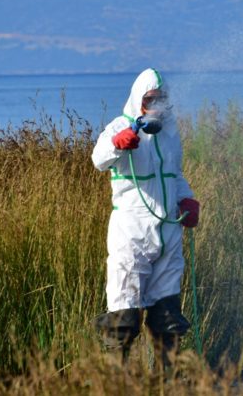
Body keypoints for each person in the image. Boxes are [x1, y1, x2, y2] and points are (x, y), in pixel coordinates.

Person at [91, 68, 200, 366]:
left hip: (167, 232)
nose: (155, 105)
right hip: (131, 232)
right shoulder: (120, 125)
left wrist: (186, 199)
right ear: (138, 99)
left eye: (160, 99)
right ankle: (120, 382)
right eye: (149, 99)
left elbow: (174, 174)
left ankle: (168, 382)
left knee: (168, 316)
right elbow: (98, 159)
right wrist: (118, 143)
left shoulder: (170, 132)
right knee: (123, 318)